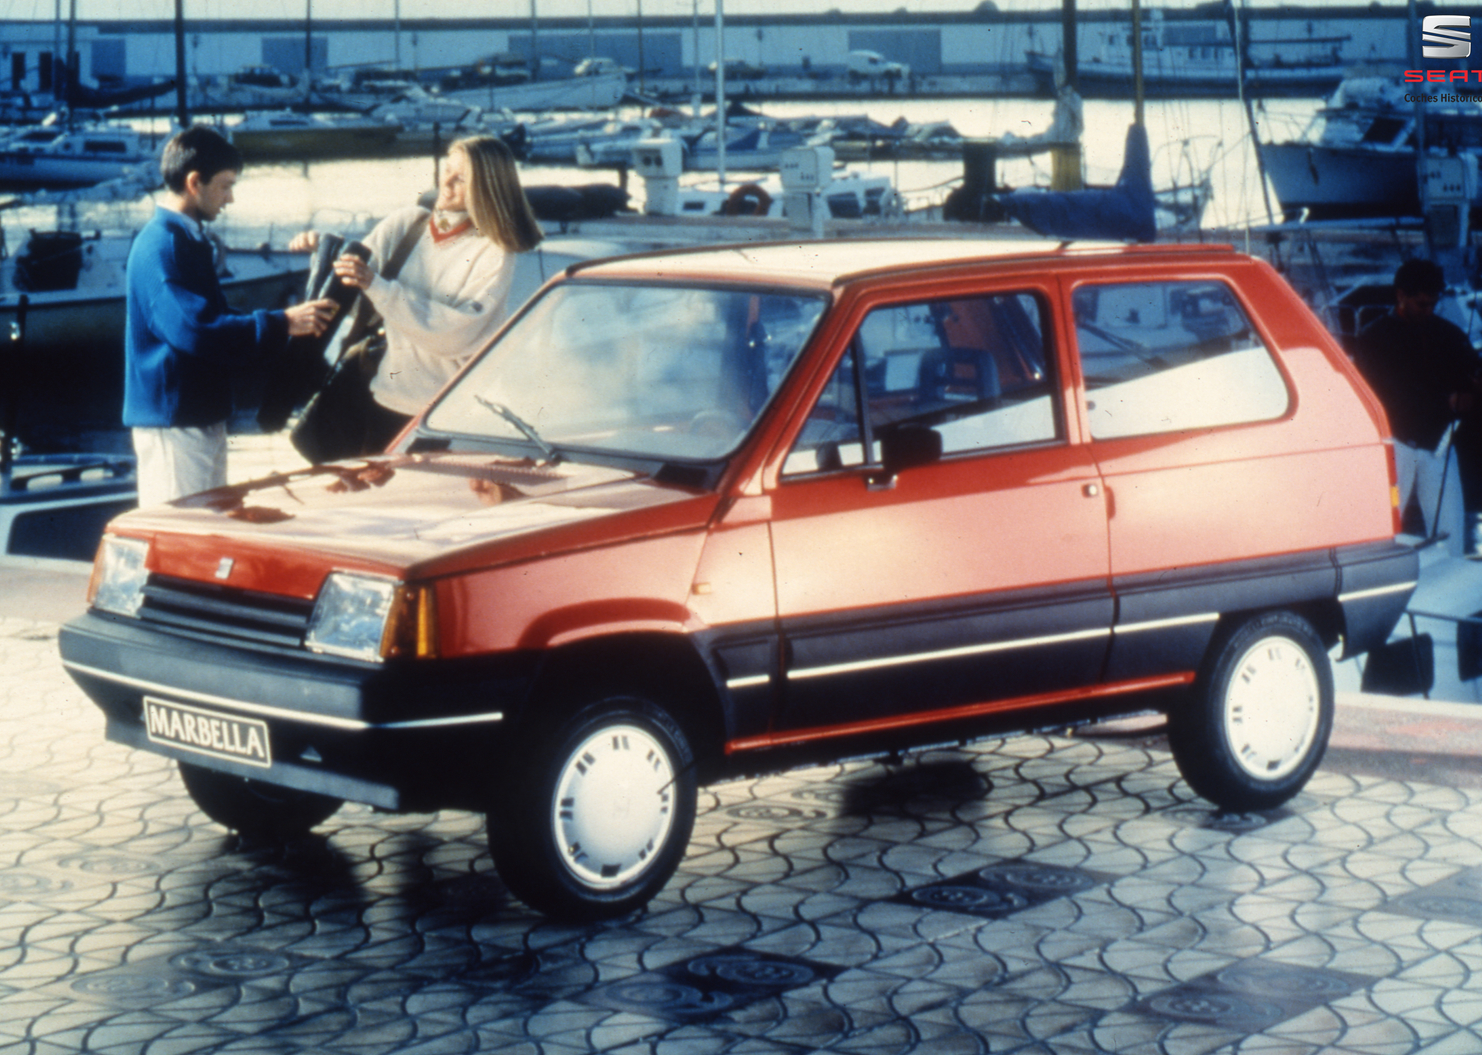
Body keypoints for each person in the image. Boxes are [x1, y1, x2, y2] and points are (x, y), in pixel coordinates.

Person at [125, 125, 336, 508]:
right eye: (225, 186)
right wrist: (282, 323)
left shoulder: (186, 239)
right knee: (186, 530)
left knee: (209, 524)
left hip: (197, 416)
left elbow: (213, 317)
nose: (230, 198)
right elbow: (195, 330)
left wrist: (283, 326)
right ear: (194, 182)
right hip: (175, 421)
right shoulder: (162, 245)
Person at [290, 135, 543, 453]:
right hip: (386, 400)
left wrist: (377, 286)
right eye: (447, 170)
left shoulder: (494, 251)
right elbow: (357, 299)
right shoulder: (405, 224)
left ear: (487, 187)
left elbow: (456, 334)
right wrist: (325, 253)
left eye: (461, 178)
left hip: (447, 414)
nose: (446, 182)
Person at [1351, 258, 1480, 552]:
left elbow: (1470, 372)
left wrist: (1471, 388)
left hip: (1440, 445)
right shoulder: (1373, 337)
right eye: (1422, 304)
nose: (1428, 310)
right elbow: (1385, 393)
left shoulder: (1449, 334)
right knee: (1384, 528)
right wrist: (1444, 401)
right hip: (1397, 446)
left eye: (1433, 304)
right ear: (1401, 295)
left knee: (1451, 532)